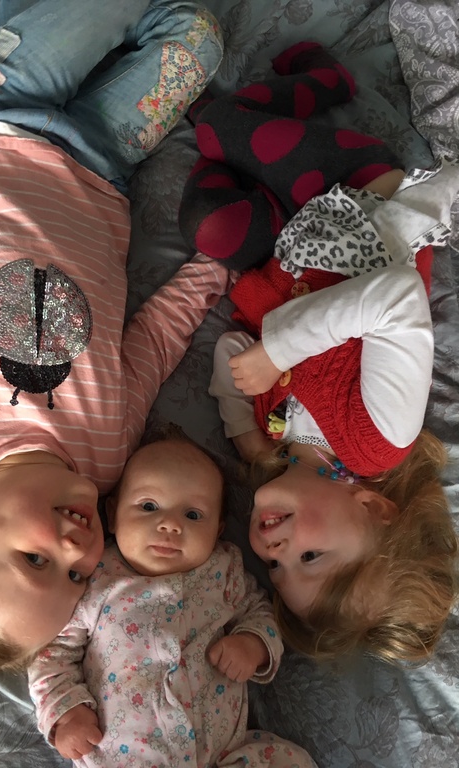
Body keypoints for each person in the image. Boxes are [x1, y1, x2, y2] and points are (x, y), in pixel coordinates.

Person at [0, 0, 227, 691]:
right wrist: (218, 268)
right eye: (76, 577)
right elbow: (152, 344)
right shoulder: (105, 459)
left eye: (37, 561)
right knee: (198, 36)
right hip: (101, 166)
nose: (78, 549)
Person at [179, 43, 459, 663]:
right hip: (359, 203)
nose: (275, 552)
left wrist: (245, 429)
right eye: (311, 556)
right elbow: (396, 299)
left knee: (208, 225)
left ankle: (257, 145)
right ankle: (324, 80)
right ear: (372, 507)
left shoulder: (277, 441)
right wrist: (279, 351)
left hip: (289, 244)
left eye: (277, 571)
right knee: (218, 127)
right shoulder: (379, 438)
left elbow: (233, 349)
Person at [28, 434, 317, 768]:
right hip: (123, 757)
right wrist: (66, 711)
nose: (170, 524)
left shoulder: (223, 570)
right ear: (113, 514)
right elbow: (53, 652)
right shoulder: (95, 576)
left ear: (217, 530)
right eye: (149, 507)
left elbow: (261, 611)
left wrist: (253, 644)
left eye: (193, 515)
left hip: (221, 755)